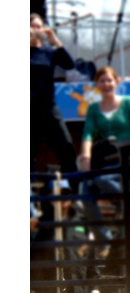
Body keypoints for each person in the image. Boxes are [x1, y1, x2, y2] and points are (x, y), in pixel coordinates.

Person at [77, 66, 130, 249]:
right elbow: (87, 134)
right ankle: (105, 240)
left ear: (117, 82)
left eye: (109, 80)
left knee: (103, 181)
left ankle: (127, 210)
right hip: (104, 163)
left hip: (126, 163)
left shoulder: (129, 103)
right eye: (102, 81)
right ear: (97, 85)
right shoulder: (93, 109)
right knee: (85, 192)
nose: (106, 84)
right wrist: (85, 157)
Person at [30, 13, 77, 174]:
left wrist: (56, 41)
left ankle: (73, 183)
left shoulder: (48, 51)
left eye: (38, 26)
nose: (35, 30)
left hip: (48, 106)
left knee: (66, 145)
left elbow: (69, 65)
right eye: (32, 26)